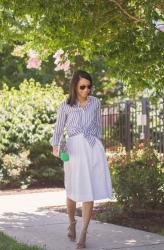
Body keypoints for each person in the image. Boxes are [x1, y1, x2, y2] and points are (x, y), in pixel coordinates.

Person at [51, 70, 112, 249]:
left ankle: (83, 233)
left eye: (89, 86)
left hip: (92, 147)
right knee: (72, 190)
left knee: (89, 190)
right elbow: (58, 129)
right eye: (82, 87)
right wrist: (56, 146)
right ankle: (72, 223)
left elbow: (98, 125)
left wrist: (98, 144)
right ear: (75, 87)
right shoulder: (66, 105)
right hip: (74, 150)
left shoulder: (95, 102)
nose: (87, 90)